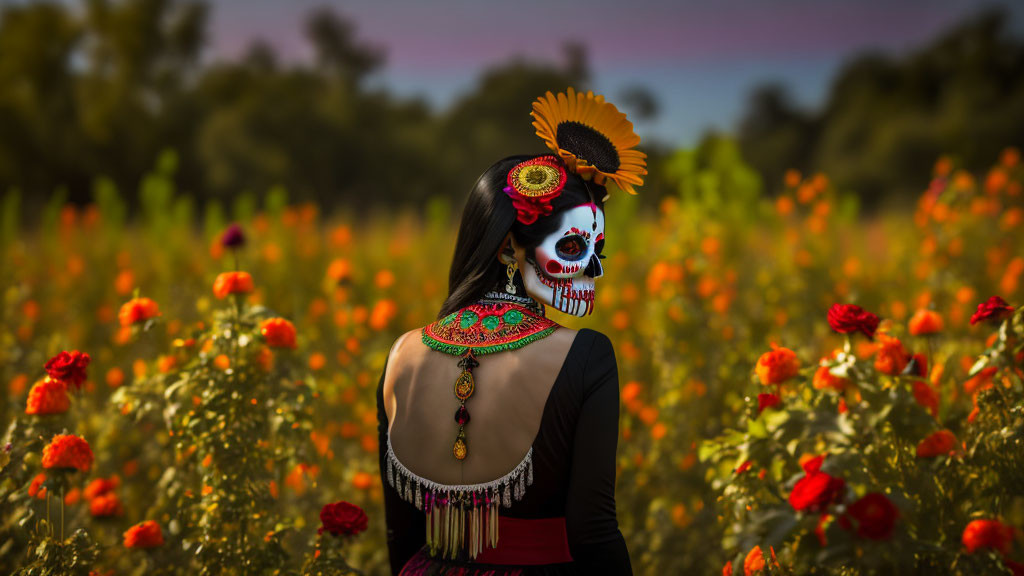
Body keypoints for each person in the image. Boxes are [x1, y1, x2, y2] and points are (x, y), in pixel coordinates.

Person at [376, 88, 645, 575]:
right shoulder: (585, 356)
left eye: (598, 252)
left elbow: (402, 531)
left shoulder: (401, 354)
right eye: (572, 248)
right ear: (506, 251)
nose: (594, 271)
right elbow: (594, 530)